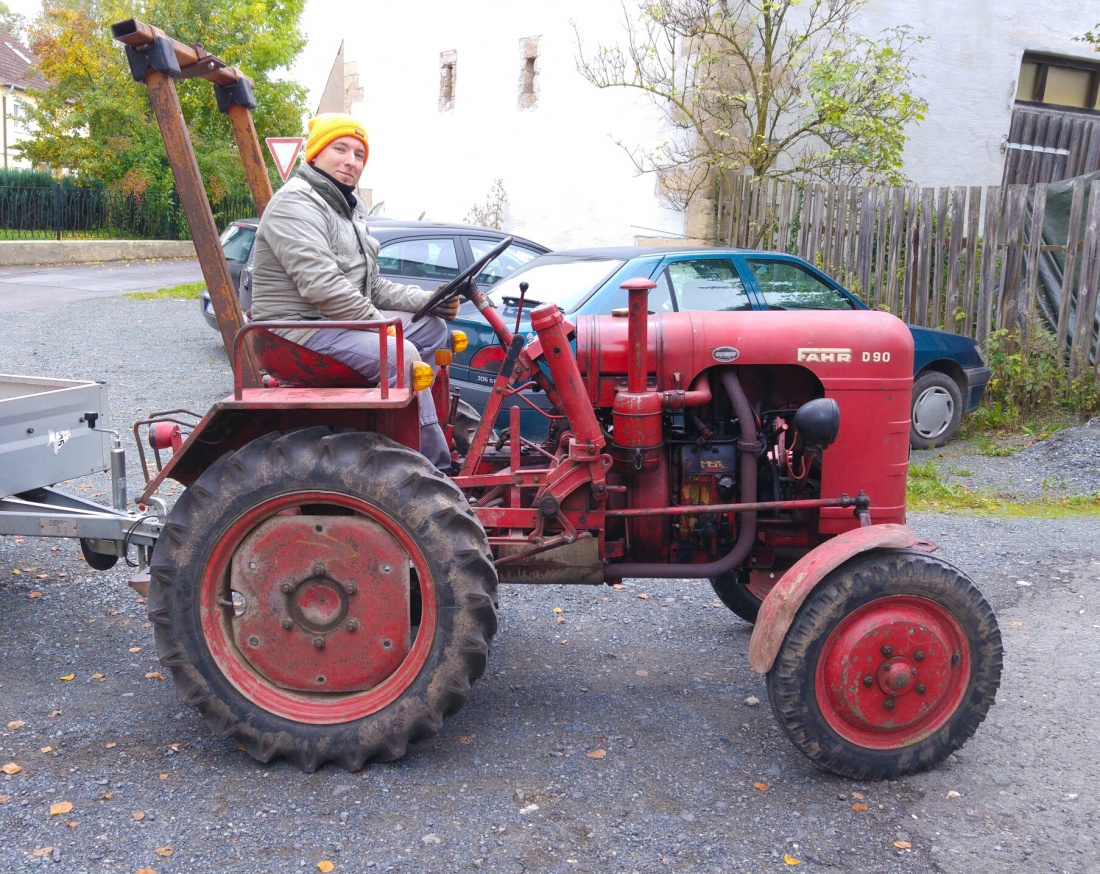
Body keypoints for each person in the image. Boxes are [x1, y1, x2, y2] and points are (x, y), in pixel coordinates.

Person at [249, 113, 458, 469]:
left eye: (359, 154)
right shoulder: (297, 203)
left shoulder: (348, 210)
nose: (351, 161)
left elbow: (372, 285)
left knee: (434, 330)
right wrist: (382, 329)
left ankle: (394, 424)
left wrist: (427, 301)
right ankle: (429, 463)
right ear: (315, 154)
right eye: (340, 149)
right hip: (295, 330)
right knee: (400, 353)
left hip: (330, 323)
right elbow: (323, 287)